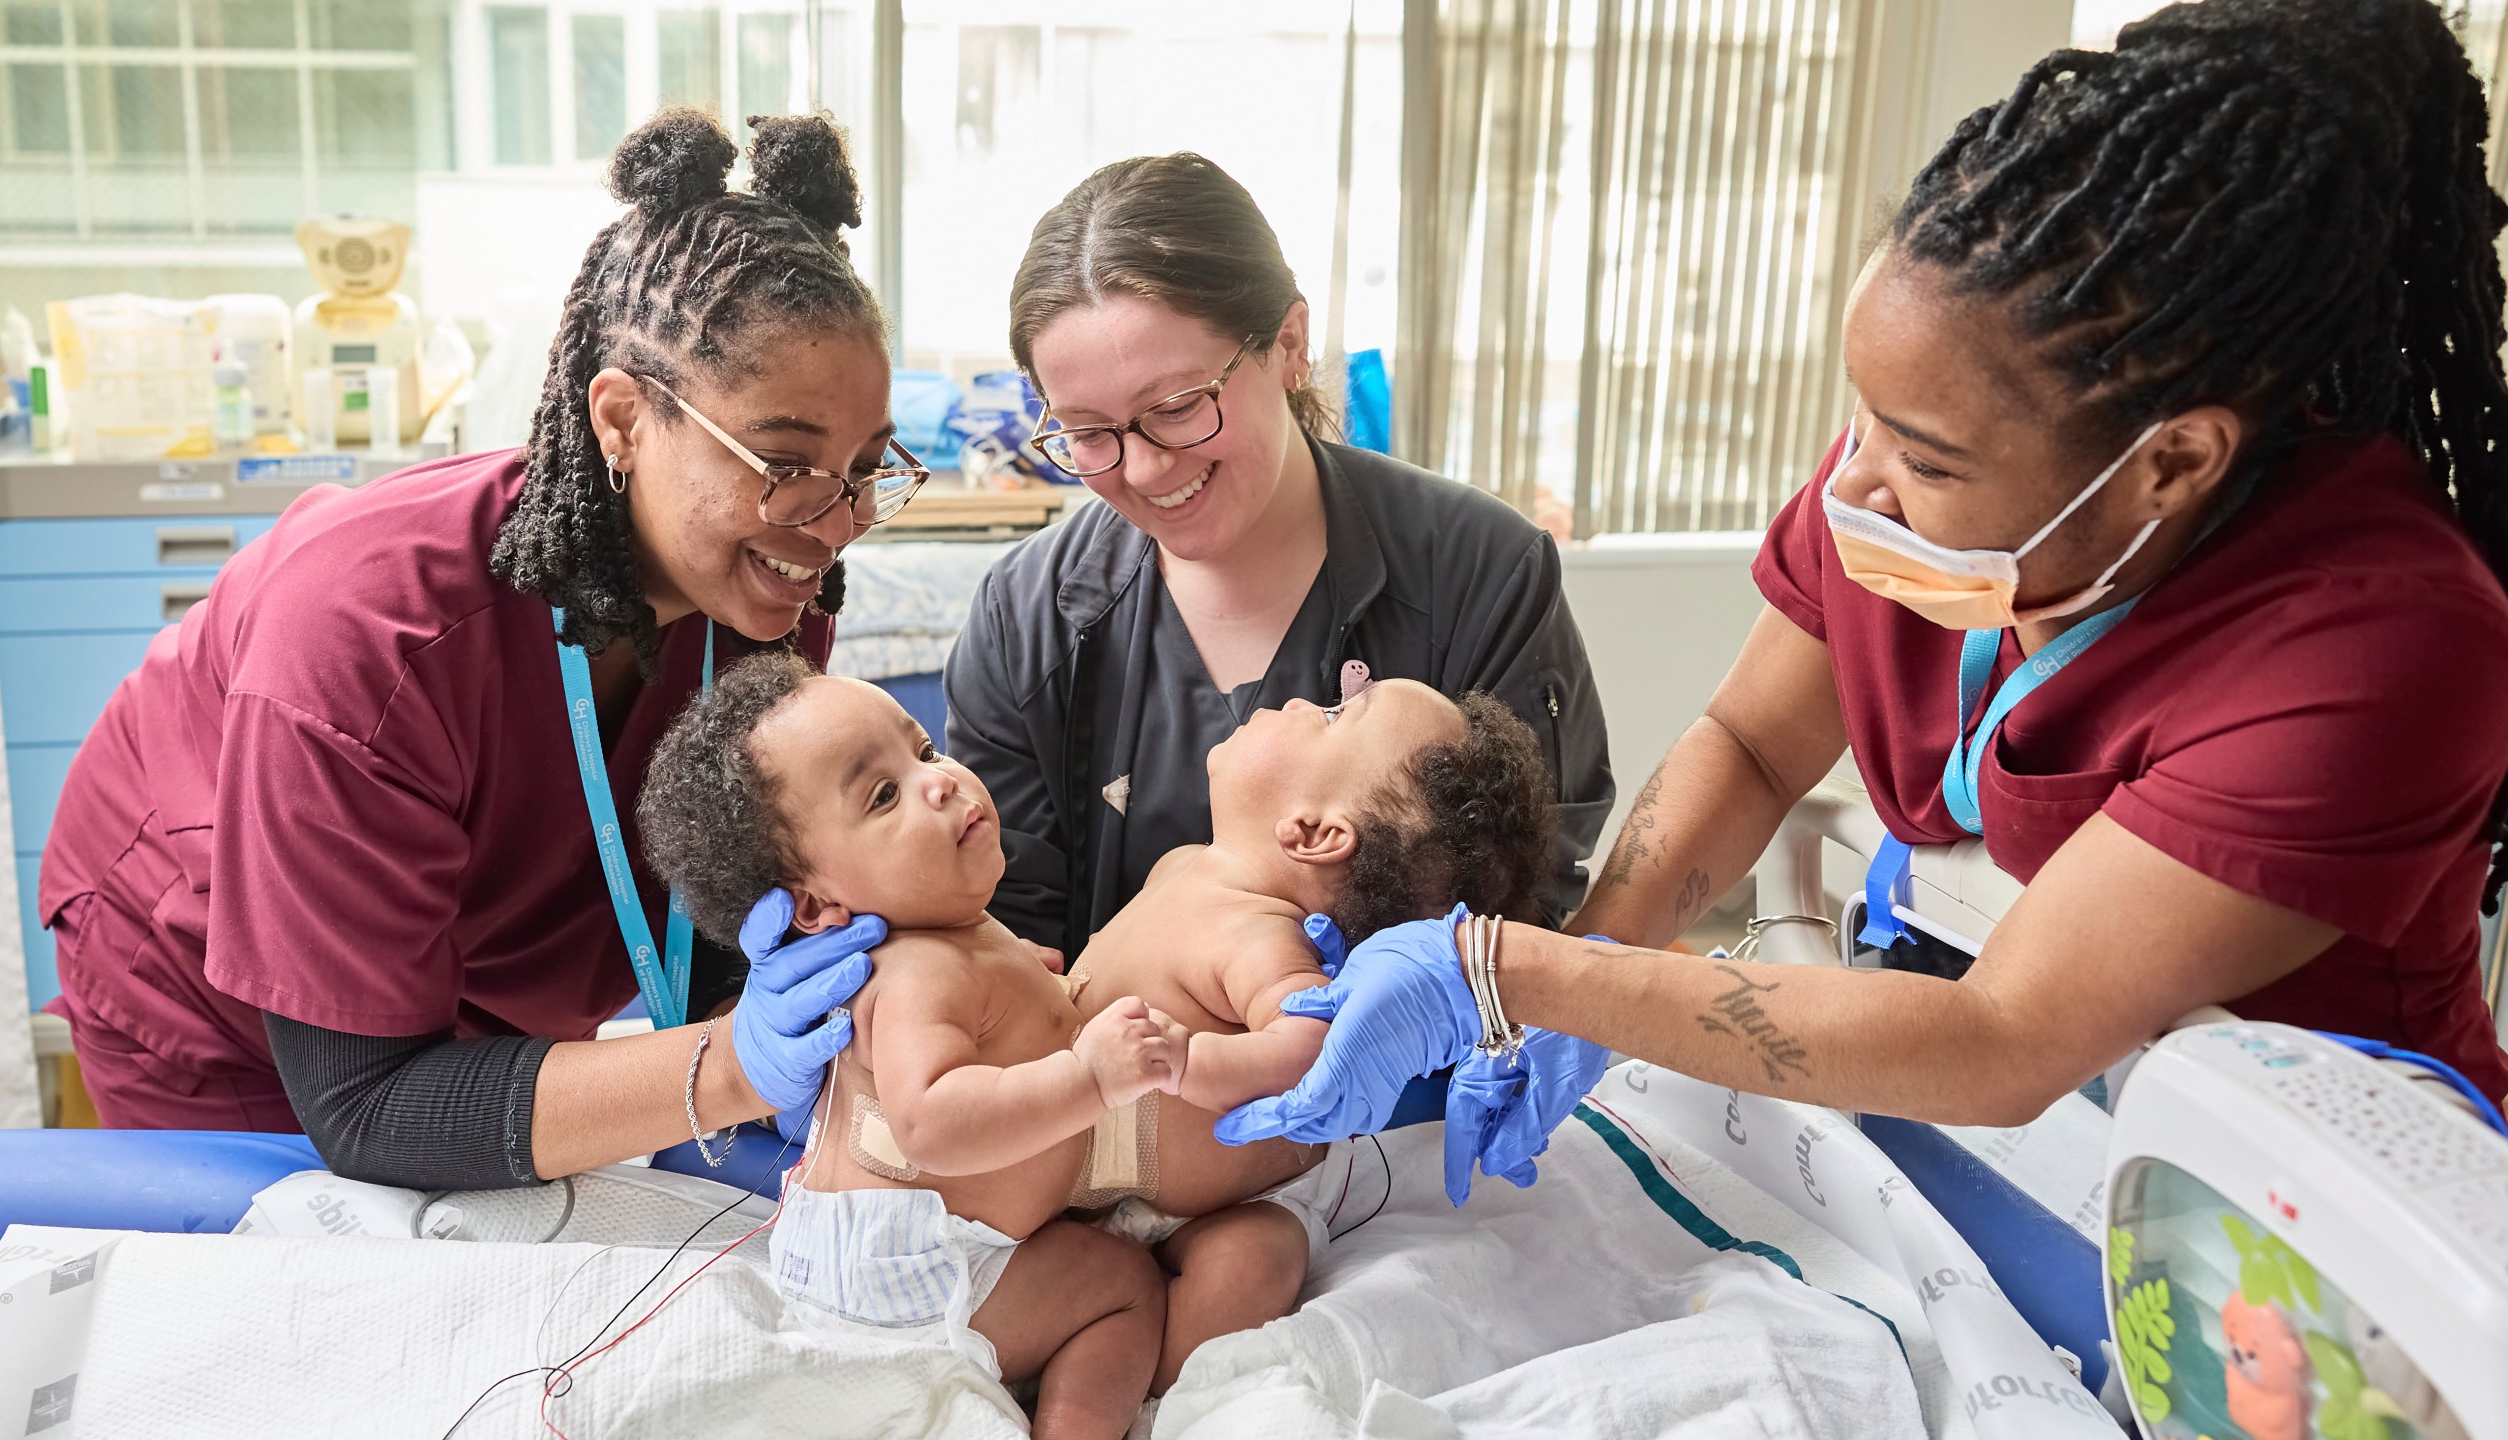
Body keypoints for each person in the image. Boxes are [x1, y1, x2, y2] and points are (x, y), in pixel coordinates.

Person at [1219, 0, 2508, 1183]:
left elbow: (2004, 1039)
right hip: (2033, 1147)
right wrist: (1605, 945)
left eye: (1925, 458)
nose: (1857, 486)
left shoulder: (2380, 646)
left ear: (2169, 462)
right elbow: (1749, 741)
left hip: (2320, 1221)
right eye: (1864, 421)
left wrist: (1510, 968)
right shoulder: (1918, 482)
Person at [35, 109, 903, 1188]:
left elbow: (723, 899)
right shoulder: (368, 635)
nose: (836, 520)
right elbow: (366, 1105)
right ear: (624, 422)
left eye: (869, 464)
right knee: (316, 1280)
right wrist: (729, 1066)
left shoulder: (767, 579)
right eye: (786, 462)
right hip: (216, 993)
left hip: (468, 984)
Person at [637, 656, 1561, 1398]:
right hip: (958, 1247)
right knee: (1114, 1289)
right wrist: (1084, 1062)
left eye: (1329, 717)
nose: (941, 781)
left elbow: (1312, 1047)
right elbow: (929, 1116)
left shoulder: (1249, 924)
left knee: (1255, 1255)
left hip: (1167, 1197)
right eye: (884, 793)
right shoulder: (923, 965)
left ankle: (1172, 1400)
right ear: (813, 904)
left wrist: (1176, 1056)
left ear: (1313, 833)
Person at [944, 153, 1615, 967]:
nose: (1147, 467)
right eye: (1088, 432)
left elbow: (1525, 898)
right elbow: (1000, 930)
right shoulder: (1027, 620)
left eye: (1179, 406)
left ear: (1289, 344)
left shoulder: (1482, 573)